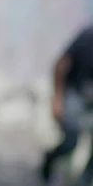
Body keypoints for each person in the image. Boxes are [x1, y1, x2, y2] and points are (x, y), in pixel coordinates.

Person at [41, 25, 93, 186]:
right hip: (74, 93)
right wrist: (57, 99)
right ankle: (49, 162)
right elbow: (61, 65)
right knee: (70, 142)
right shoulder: (87, 37)